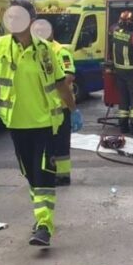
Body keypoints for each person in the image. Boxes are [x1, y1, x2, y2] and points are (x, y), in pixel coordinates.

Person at [0, 0, 81, 247]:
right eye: (10, 17)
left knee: (44, 173)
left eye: (18, 17)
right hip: (16, 124)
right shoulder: (0, 47)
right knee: (30, 174)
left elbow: (60, 84)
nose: (13, 22)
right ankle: (41, 219)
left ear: (31, 21)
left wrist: (73, 109)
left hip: (45, 123)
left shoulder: (46, 50)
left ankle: (44, 225)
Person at [50, 37, 78, 186]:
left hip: (61, 106)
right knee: (46, 142)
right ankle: (49, 172)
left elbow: (68, 76)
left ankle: (62, 176)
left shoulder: (61, 52)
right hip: (42, 108)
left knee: (61, 142)